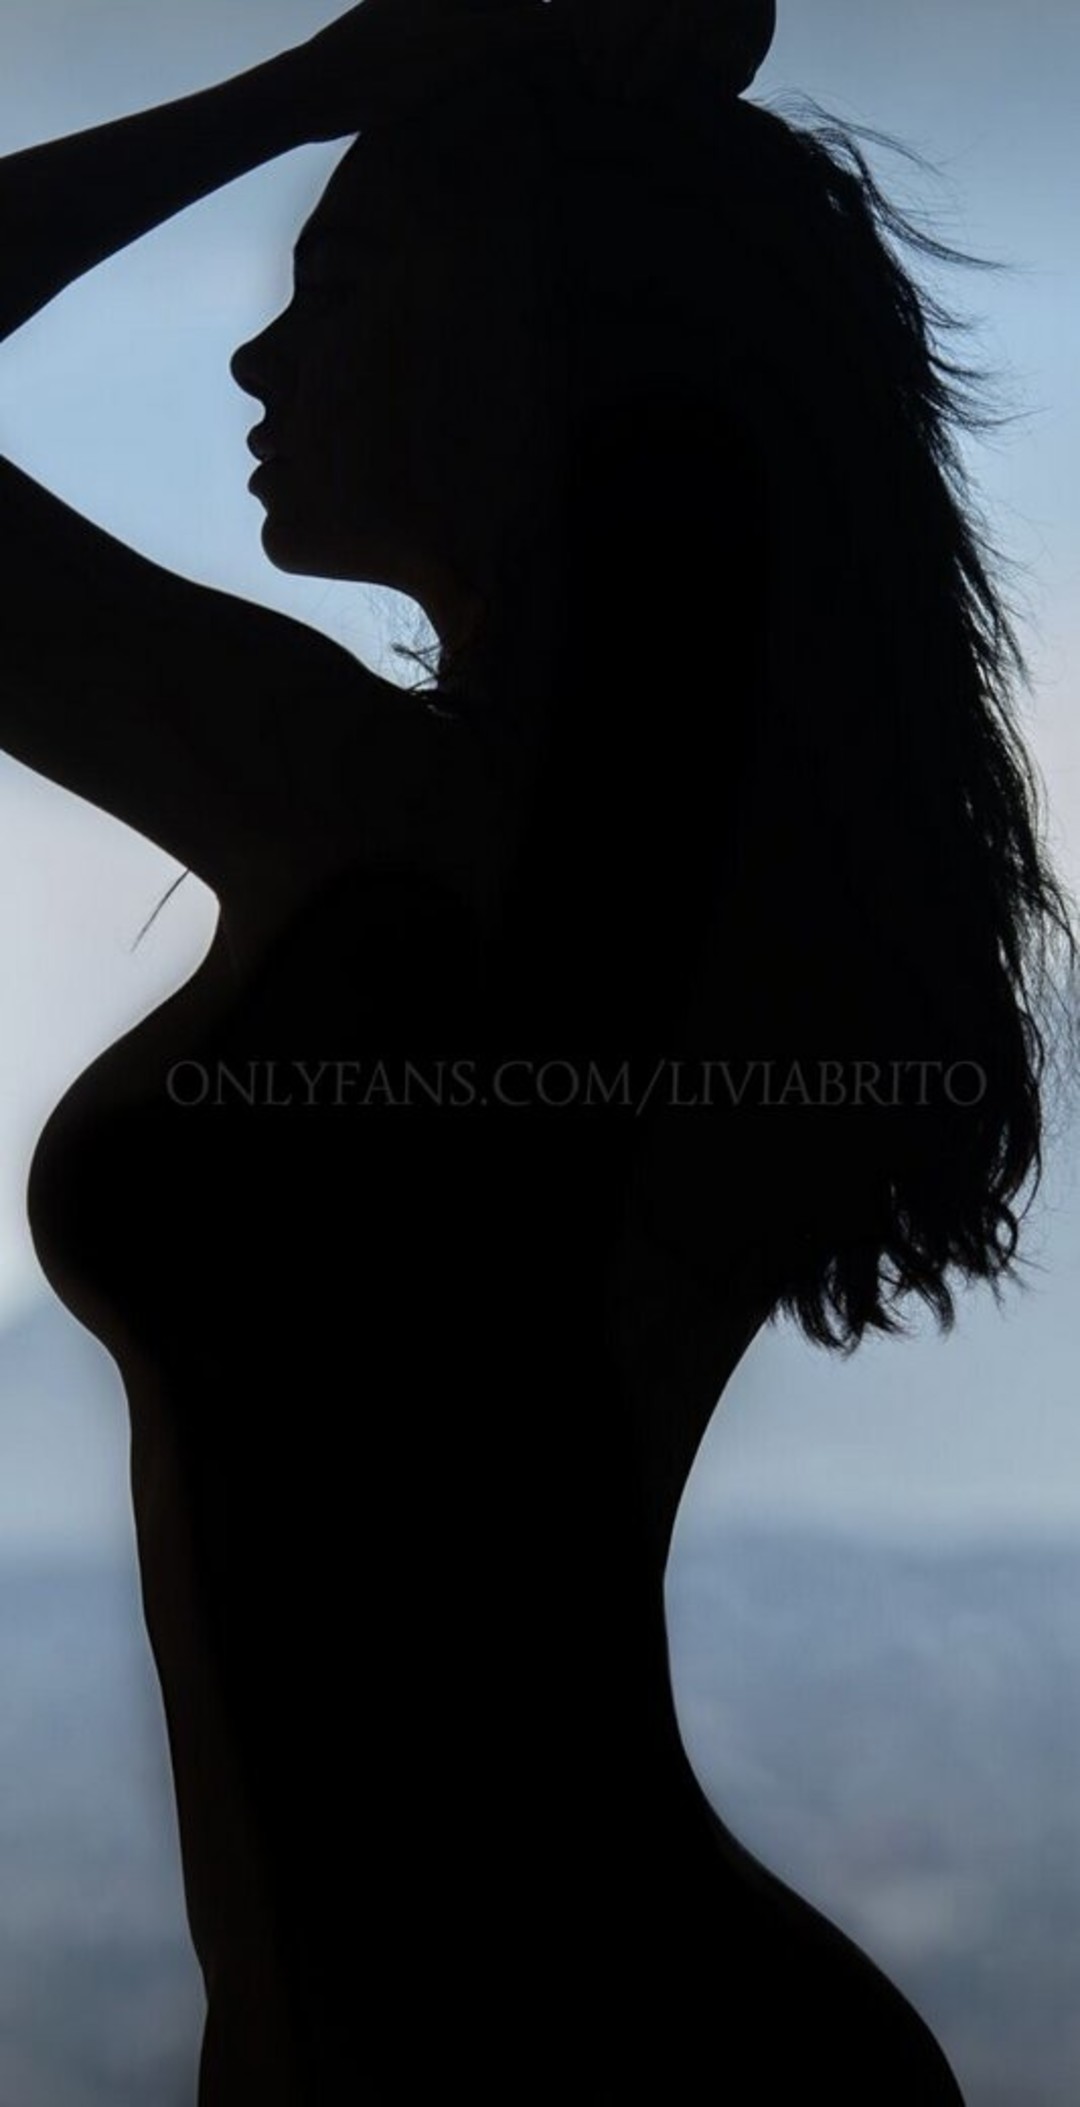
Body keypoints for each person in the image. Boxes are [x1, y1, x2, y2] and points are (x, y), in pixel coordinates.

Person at [2, 1, 1074, 2098]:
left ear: (533, 349)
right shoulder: (742, 890)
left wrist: (315, 84)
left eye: (341, 286)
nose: (257, 358)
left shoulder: (385, 820)